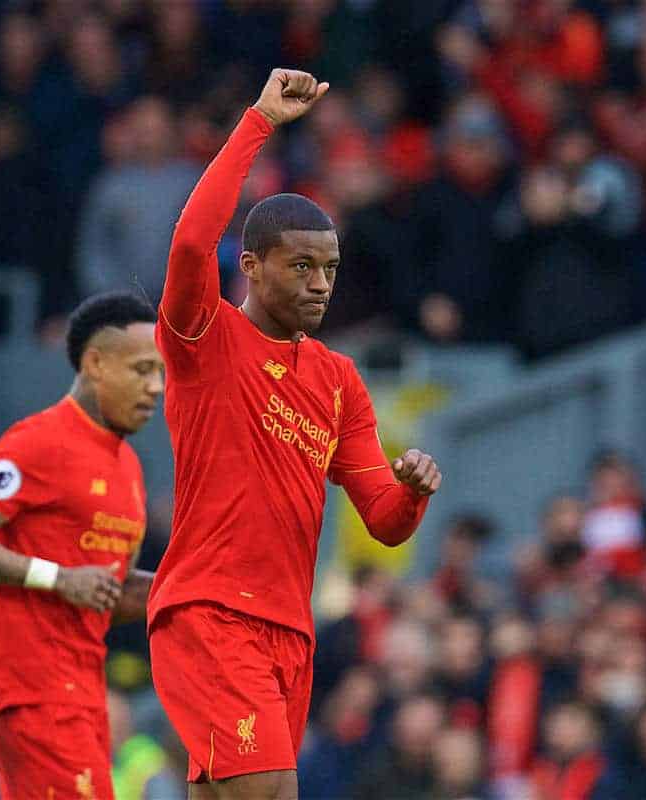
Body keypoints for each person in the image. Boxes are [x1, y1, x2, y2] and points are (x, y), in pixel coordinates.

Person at [147, 69, 442, 800]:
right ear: (251, 267)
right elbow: (189, 246)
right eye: (301, 265)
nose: (319, 283)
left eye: (331, 269)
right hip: (212, 611)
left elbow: (383, 518)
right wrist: (257, 124)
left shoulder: (339, 379)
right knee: (272, 790)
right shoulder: (204, 339)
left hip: (289, 630)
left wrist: (410, 494)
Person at [0, 291, 165, 800]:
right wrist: (55, 577)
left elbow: (105, 592)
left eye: (160, 373)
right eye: (142, 370)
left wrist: (191, 594)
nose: (156, 387)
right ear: (95, 364)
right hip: (32, 688)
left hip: (85, 689)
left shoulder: (130, 469)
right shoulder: (41, 441)